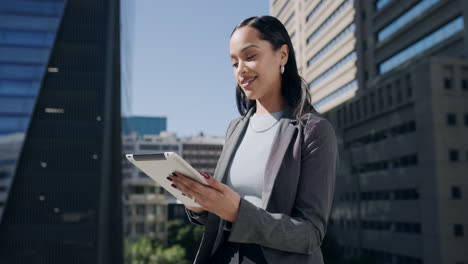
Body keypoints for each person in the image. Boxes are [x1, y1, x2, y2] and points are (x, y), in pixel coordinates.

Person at [166, 16, 338, 264]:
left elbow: (310, 234)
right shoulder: (235, 128)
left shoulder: (313, 131)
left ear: (282, 55)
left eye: (250, 56)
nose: (241, 69)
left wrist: (237, 211)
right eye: (234, 63)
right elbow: (225, 219)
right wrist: (202, 205)